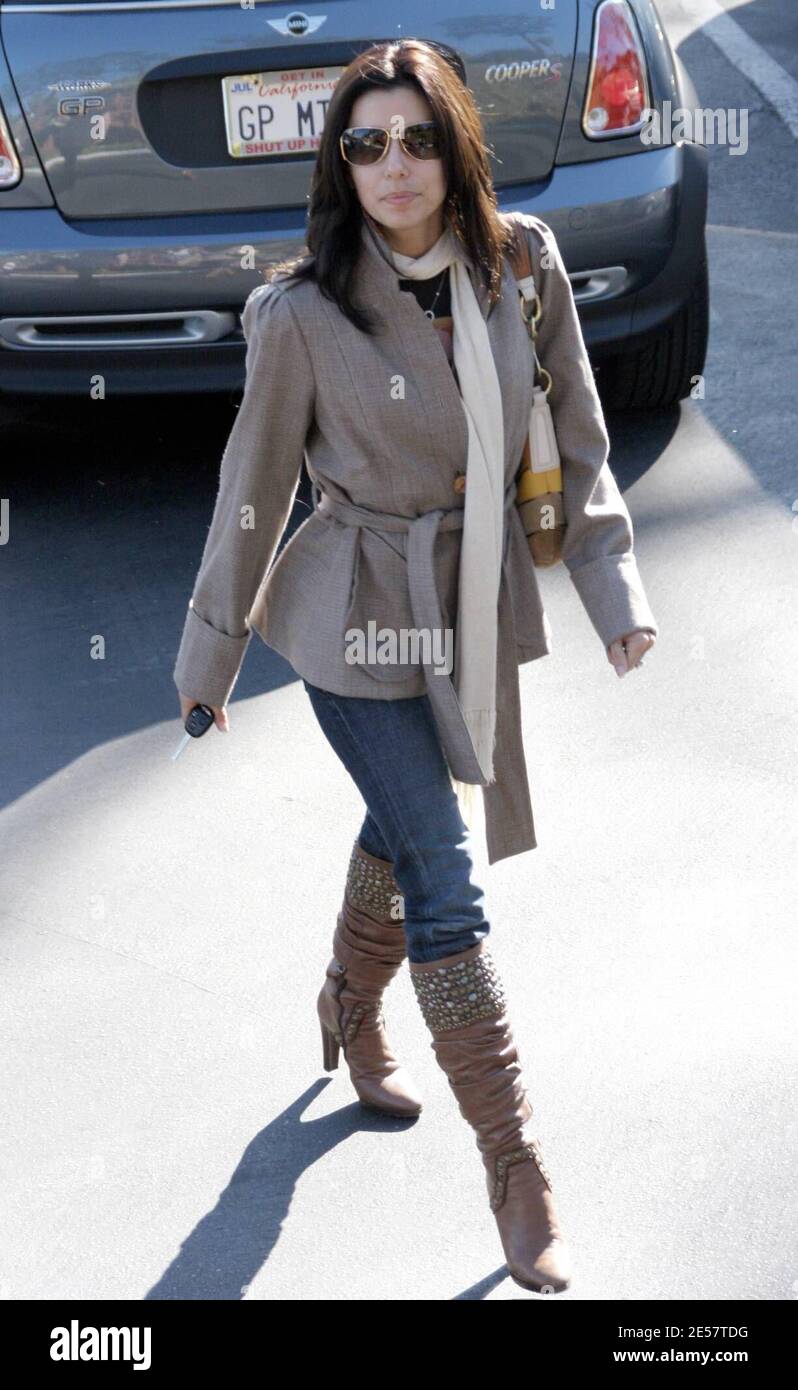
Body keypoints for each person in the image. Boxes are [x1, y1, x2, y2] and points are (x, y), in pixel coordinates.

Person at [173, 39, 658, 1295]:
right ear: (341, 165)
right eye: (366, 143)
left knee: (400, 830)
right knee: (446, 872)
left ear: (455, 147)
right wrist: (211, 653)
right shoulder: (300, 310)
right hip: (354, 615)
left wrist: (613, 593)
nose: (395, 165)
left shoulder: (520, 266)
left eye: (417, 138)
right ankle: (518, 1166)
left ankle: (347, 998)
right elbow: (251, 488)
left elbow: (582, 436)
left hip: (473, 602)